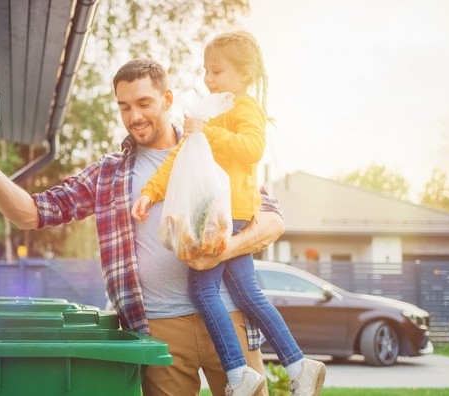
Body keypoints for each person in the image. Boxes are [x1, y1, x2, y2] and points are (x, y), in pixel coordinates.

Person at [0, 58, 284, 396]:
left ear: (167, 100)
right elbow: (33, 214)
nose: (134, 116)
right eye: (124, 107)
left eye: (144, 103)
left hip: (229, 315)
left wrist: (223, 251)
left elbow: (271, 221)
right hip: (160, 328)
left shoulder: (214, 149)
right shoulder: (109, 174)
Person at [131, 31, 326, 396]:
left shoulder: (243, 106)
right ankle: (299, 364)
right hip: (221, 211)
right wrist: (149, 191)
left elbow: (253, 148)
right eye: (206, 70)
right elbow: (179, 157)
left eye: (217, 71)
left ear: (245, 73)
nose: (209, 78)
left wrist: (208, 133)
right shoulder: (213, 109)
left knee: (203, 291)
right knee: (249, 294)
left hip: (229, 212)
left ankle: (239, 373)